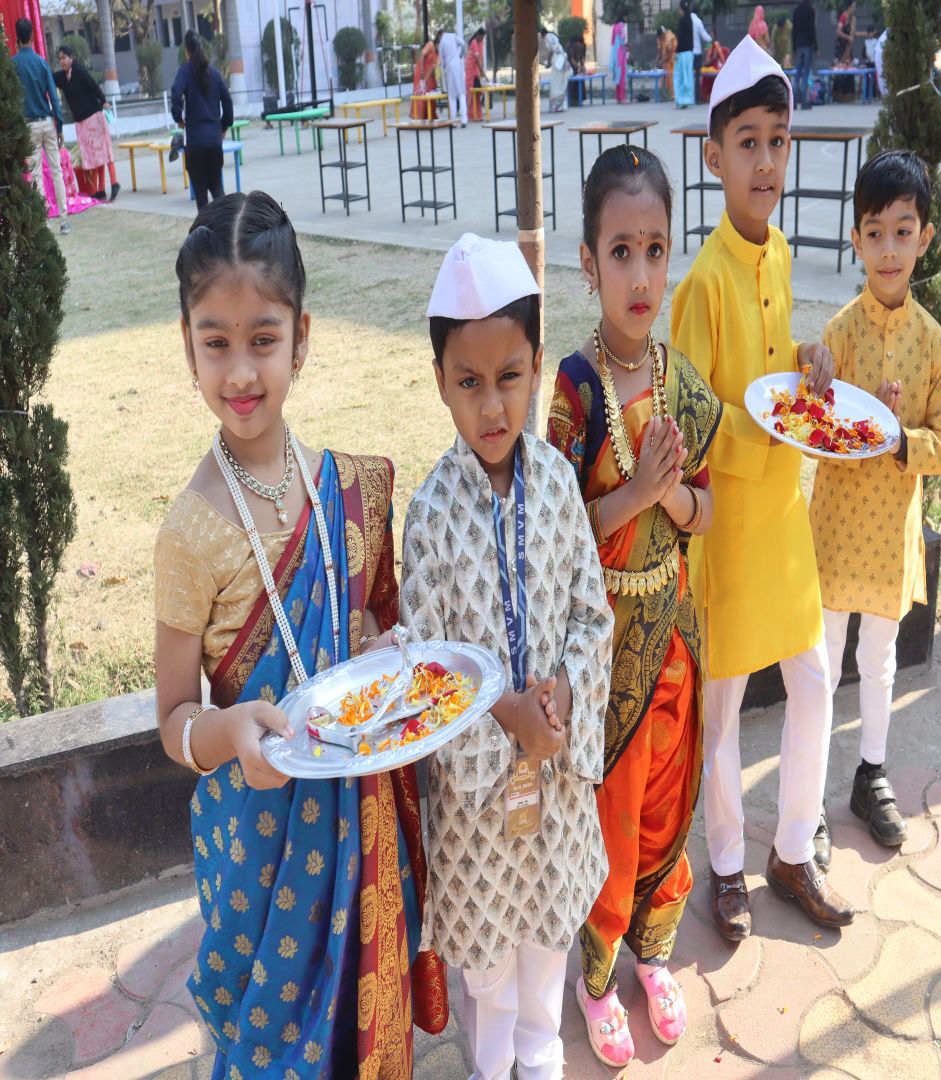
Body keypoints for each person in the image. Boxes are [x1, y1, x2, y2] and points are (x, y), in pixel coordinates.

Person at [153, 190, 447, 1078]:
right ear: (188, 345)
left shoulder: (341, 487)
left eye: (264, 339)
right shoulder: (190, 531)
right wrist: (228, 735)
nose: (241, 371)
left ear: (302, 338)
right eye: (217, 342)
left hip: (357, 827)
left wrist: (380, 647)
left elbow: (357, 631)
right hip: (259, 850)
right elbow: (173, 721)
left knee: (359, 1017)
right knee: (274, 1045)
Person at [402, 233, 613, 1080]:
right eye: (469, 383)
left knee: (547, 955)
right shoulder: (428, 513)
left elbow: (591, 615)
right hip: (479, 808)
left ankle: (542, 1058)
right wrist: (506, 718)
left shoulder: (558, 483)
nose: (492, 406)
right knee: (488, 976)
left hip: (556, 784)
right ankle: (493, 1067)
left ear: (535, 367)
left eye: (510, 377)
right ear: (440, 381)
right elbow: (428, 664)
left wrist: (562, 701)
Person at [670, 36, 856, 941]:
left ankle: (790, 849)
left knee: (815, 680)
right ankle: (725, 864)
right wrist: (766, 433)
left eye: (778, 142)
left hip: (785, 518)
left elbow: (772, 373)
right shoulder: (702, 282)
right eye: (748, 143)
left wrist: (810, 358)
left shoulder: (777, 252)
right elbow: (692, 416)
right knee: (722, 710)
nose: (766, 162)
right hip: (729, 528)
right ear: (715, 158)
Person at [547, 146, 721, 1067]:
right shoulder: (574, 392)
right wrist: (636, 495)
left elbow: (706, 507)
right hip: (605, 646)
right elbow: (556, 532)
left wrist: (674, 495)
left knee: (667, 802)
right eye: (622, 252)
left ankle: (655, 950)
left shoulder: (680, 382)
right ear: (589, 262)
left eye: (656, 250)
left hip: (676, 636)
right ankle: (596, 975)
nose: (642, 275)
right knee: (610, 818)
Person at [811, 150, 941, 851]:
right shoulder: (837, 336)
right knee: (821, 664)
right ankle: (807, 797)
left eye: (903, 232)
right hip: (836, 532)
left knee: (879, 659)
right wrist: (848, 419)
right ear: (856, 240)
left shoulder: (932, 343)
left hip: (891, 536)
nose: (890, 250)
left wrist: (900, 439)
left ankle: (871, 774)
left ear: (925, 237)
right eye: (875, 233)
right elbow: (812, 434)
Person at [12, 18, 69, 235]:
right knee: (56, 171)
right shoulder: (41, 62)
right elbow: (54, 97)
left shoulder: (13, 64)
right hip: (47, 123)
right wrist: (59, 126)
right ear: (33, 36)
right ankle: (64, 220)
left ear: (17, 38)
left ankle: (43, 223)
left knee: (36, 175)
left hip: (29, 126)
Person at [171, 29, 232, 211]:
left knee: (201, 195)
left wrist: (178, 118)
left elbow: (175, 94)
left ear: (187, 51)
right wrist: (224, 125)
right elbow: (227, 100)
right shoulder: (214, 73)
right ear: (202, 48)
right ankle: (226, 224)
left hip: (195, 143)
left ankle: (204, 229)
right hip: (214, 141)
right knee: (217, 187)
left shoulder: (184, 71)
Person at [54, 43, 119, 201]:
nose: (62, 61)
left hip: (94, 117)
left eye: (64, 58)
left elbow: (93, 85)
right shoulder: (63, 77)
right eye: (60, 59)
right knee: (95, 156)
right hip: (81, 123)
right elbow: (50, 77)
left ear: (71, 58)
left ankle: (114, 182)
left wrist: (103, 100)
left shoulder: (79, 71)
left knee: (104, 151)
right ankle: (101, 189)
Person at [438, 26, 467, 125]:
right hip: (458, 65)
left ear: (439, 35)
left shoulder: (441, 43)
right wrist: (460, 55)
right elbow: (463, 44)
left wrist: (444, 67)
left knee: (452, 95)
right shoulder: (453, 36)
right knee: (461, 93)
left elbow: (442, 62)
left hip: (449, 67)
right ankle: (464, 119)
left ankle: (454, 121)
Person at [792, 0, 817, 109]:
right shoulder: (811, 10)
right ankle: (803, 101)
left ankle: (793, 101)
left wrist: (794, 48)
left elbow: (794, 30)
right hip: (808, 44)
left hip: (799, 45)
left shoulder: (796, 10)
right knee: (806, 73)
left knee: (797, 74)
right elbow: (812, 29)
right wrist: (816, 47)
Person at [409, 36, 438, 119]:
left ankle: (430, 116)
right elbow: (422, 55)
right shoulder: (430, 45)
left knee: (431, 92)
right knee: (421, 93)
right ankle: (419, 116)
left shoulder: (440, 52)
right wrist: (421, 70)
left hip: (431, 76)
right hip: (422, 73)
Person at [674, 0, 696, 107]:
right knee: (688, 77)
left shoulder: (682, 20)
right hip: (689, 53)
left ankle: (680, 101)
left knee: (680, 77)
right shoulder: (690, 20)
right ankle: (687, 101)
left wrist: (676, 51)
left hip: (682, 53)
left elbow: (681, 37)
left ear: (681, 9)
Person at [544, 29, 570, 111]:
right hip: (563, 60)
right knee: (563, 83)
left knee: (555, 84)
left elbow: (549, 51)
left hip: (557, 63)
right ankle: (562, 105)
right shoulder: (554, 37)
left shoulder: (547, 38)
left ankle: (556, 106)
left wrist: (548, 63)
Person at [691, 5, 712, 103]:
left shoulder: (687, 20)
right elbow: (705, 37)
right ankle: (697, 98)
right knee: (697, 75)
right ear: (698, 12)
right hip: (697, 52)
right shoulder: (697, 21)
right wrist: (710, 39)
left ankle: (689, 97)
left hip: (688, 52)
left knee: (689, 75)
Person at [466, 28, 486, 121]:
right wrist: (482, 70)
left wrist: (481, 70)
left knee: (477, 92)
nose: (482, 39)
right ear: (478, 35)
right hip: (470, 68)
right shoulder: (474, 42)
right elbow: (477, 57)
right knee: (471, 91)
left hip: (477, 68)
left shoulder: (481, 43)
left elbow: (481, 57)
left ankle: (478, 114)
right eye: (482, 37)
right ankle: (471, 114)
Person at [611, 12, 629, 104]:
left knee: (617, 76)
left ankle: (618, 97)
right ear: (624, 17)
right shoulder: (621, 26)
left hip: (615, 53)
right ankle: (623, 97)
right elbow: (622, 40)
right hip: (620, 54)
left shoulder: (615, 26)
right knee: (622, 76)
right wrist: (627, 45)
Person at [655, 25, 677, 99]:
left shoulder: (670, 38)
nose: (659, 39)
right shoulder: (659, 38)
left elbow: (670, 54)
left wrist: (661, 61)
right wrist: (657, 60)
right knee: (664, 79)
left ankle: (673, 96)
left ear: (663, 34)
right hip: (666, 62)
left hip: (673, 61)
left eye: (660, 37)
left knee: (671, 78)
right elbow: (659, 51)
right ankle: (666, 96)